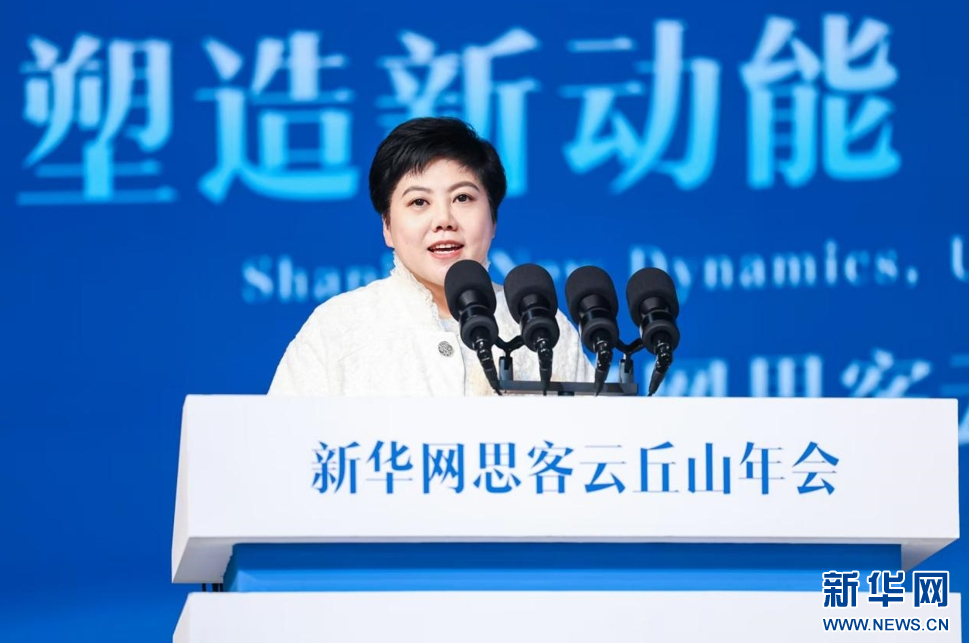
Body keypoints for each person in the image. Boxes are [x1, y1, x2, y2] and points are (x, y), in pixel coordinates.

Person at [268, 117, 595, 396]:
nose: (443, 220)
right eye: (419, 202)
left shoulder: (540, 326)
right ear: (387, 227)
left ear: (493, 219)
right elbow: (281, 443)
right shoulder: (337, 328)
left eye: (462, 198)